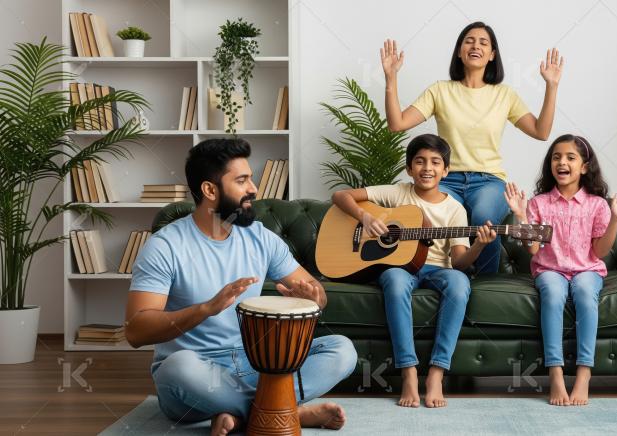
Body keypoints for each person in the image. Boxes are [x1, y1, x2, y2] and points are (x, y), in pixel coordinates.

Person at [124, 138, 358, 435]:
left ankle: (240, 411)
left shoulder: (260, 237)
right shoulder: (165, 246)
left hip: (256, 365)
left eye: (251, 178)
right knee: (176, 367)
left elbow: (313, 288)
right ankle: (287, 412)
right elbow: (135, 330)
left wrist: (313, 297)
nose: (254, 189)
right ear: (210, 190)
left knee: (342, 349)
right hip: (198, 373)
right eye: (242, 180)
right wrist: (205, 309)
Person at [381, 21, 563, 274]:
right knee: (429, 216)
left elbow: (540, 132)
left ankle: (485, 287)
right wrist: (391, 79)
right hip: (446, 179)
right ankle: (441, 279)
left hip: (488, 181)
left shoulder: (504, 95)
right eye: (469, 41)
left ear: (492, 55)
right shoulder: (440, 91)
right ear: (459, 51)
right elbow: (397, 123)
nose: (475, 45)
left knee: (484, 218)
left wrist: (551, 87)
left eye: (483, 43)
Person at [331, 134, 496, 408]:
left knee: (459, 283)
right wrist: (365, 216)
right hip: (400, 268)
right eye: (419, 161)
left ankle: (436, 374)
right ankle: (408, 373)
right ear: (409, 168)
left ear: (446, 170)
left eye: (435, 162)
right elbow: (340, 195)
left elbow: (459, 263)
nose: (427, 168)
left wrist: (478, 245)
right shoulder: (398, 193)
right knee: (394, 281)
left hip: (438, 270)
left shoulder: (454, 209)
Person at [504, 134, 617, 406]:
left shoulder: (597, 205)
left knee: (586, 294)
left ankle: (584, 375)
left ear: (585, 167)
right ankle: (555, 374)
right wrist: (521, 215)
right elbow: (532, 251)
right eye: (556, 157)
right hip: (549, 269)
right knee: (552, 294)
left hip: (587, 269)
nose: (562, 162)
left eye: (570, 157)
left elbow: (599, 252)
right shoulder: (539, 203)